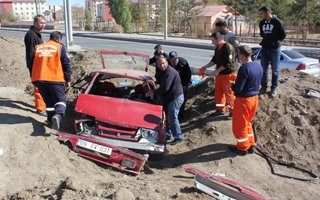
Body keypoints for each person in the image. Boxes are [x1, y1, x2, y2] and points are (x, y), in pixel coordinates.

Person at [31, 31, 71, 131]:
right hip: (54, 78)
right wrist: (68, 80)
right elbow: (66, 64)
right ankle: (58, 116)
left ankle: (50, 121)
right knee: (61, 101)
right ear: (58, 39)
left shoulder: (38, 47)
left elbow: (31, 61)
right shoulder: (59, 47)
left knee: (49, 102)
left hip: (38, 79)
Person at [230, 45, 263, 156]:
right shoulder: (258, 65)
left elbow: (238, 90)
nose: (238, 56)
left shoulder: (244, 69)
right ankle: (251, 144)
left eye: (238, 54)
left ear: (242, 55)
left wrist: (231, 85)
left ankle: (242, 148)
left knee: (239, 126)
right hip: (254, 99)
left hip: (244, 101)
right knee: (247, 122)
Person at [200, 32, 237, 119]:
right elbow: (214, 60)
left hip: (228, 75)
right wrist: (204, 67)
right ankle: (220, 110)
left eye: (213, 40)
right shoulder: (218, 48)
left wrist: (217, 70)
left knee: (229, 94)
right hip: (220, 75)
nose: (212, 42)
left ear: (219, 39)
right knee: (219, 93)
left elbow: (228, 62)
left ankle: (233, 112)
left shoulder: (228, 47)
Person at [154, 57, 184, 145]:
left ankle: (178, 136)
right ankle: (168, 134)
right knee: (168, 116)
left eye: (163, 63)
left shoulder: (169, 72)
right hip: (171, 98)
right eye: (159, 64)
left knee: (172, 116)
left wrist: (154, 91)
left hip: (176, 98)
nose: (161, 65)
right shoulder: (163, 71)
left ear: (167, 62)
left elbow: (165, 88)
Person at [258, 6, 287, 98]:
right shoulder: (261, 23)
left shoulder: (278, 22)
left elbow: (283, 35)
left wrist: (274, 41)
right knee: (263, 69)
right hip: (264, 48)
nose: (260, 15)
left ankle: (274, 88)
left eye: (262, 13)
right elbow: (262, 34)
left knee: (275, 70)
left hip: (275, 49)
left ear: (267, 12)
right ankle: (263, 87)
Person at [24, 15, 47, 116]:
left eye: (44, 23)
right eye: (41, 23)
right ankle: (40, 109)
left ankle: (41, 105)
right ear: (35, 23)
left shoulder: (36, 34)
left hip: (39, 66)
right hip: (35, 66)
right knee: (38, 87)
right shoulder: (31, 35)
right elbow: (31, 53)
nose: (43, 25)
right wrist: (32, 68)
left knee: (41, 86)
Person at [168, 51, 192, 120]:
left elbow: (188, 75)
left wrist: (184, 85)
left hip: (183, 82)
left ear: (177, 58)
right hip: (174, 83)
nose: (174, 61)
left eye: (175, 59)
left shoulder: (183, 63)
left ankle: (181, 116)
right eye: (172, 60)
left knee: (182, 99)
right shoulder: (168, 63)